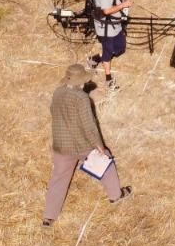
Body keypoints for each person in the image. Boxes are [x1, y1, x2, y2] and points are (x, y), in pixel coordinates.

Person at [43, 63, 130, 226]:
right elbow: (89, 127)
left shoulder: (57, 92)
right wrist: (100, 147)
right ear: (81, 82)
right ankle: (115, 196)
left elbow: (53, 112)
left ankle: (49, 217)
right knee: (106, 162)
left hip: (61, 145)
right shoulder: (83, 99)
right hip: (81, 146)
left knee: (58, 178)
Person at [86, 0, 132, 91]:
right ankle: (108, 80)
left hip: (115, 25)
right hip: (106, 28)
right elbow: (106, 11)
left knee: (120, 47)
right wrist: (123, 5)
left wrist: (124, 0)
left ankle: (94, 59)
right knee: (108, 52)